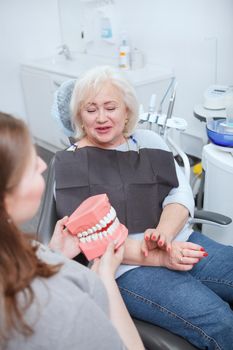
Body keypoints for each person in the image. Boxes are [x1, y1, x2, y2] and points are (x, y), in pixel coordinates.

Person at [53, 65, 233, 350]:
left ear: (127, 110)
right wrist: (159, 255)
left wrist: (163, 234)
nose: (101, 117)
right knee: (221, 322)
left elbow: (179, 192)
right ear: (79, 116)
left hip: (180, 241)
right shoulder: (71, 165)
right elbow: (91, 239)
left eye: (110, 107)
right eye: (91, 109)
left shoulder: (148, 142)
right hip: (127, 267)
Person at [0, 112, 144, 350]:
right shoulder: (57, 309)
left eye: (110, 106)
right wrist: (106, 279)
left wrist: (52, 253)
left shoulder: (19, 246)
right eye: (29, 165)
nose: (43, 164)